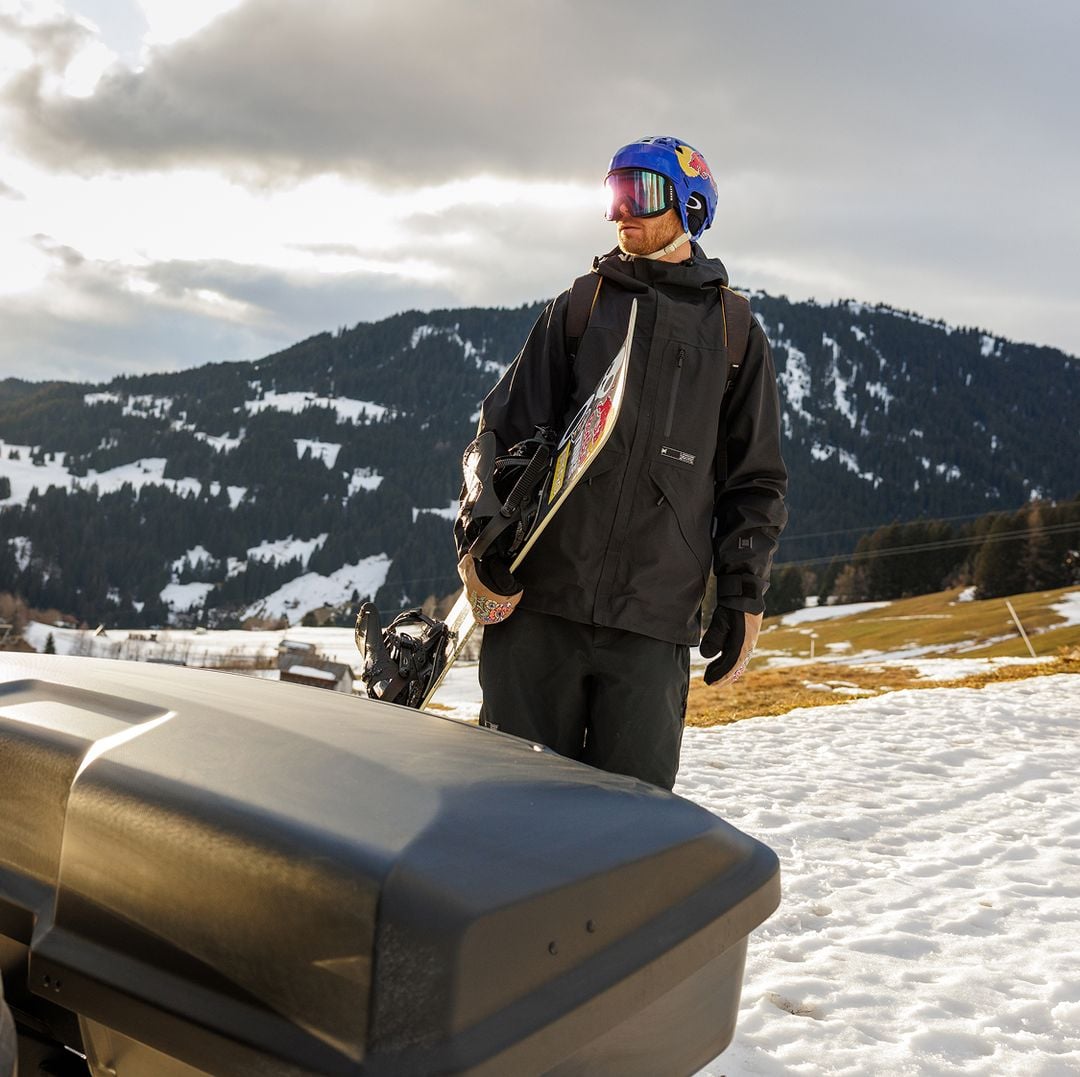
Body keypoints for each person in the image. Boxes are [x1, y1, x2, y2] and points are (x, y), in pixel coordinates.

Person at [455, 136, 788, 790]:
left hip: (650, 627)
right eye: (612, 194)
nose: (619, 212)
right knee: (510, 819)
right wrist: (478, 534)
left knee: (626, 837)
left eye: (640, 192)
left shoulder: (735, 333)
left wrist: (743, 595)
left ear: (689, 206)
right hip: (540, 614)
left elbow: (756, 480)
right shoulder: (582, 307)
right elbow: (496, 433)